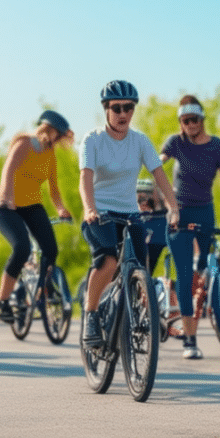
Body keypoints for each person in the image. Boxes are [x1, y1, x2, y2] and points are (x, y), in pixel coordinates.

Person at [79, 80, 179, 348]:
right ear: (106, 109)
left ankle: (139, 316)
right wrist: (89, 208)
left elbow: (159, 174)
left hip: (130, 214)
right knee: (109, 260)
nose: (123, 113)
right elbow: (85, 179)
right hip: (99, 213)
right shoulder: (93, 140)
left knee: (141, 269)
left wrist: (173, 207)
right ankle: (91, 314)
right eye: (117, 108)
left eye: (129, 107)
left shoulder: (140, 141)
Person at [160, 95, 220, 360]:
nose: (190, 125)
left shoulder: (216, 146)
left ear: (202, 120)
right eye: (185, 121)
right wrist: (165, 203)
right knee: (186, 275)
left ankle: (207, 308)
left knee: (203, 268)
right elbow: (158, 166)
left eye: (194, 120)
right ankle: (189, 339)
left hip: (205, 212)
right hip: (179, 213)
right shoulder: (176, 143)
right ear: (181, 123)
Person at [0, 110, 74, 322]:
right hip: (5, 208)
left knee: (50, 249)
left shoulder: (50, 154)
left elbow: (54, 189)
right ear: (50, 130)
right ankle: (2, 302)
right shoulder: (24, 144)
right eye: (59, 135)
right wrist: (7, 196)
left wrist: (61, 208)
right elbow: (8, 171)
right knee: (22, 248)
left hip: (32, 206)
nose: (60, 140)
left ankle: (43, 289)